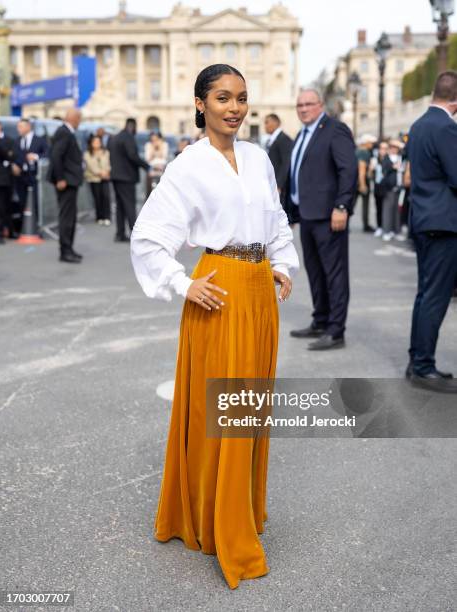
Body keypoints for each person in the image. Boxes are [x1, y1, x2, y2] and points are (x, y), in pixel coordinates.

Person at [130, 63, 299, 589]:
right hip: (217, 287)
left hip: (258, 292)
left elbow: (275, 220)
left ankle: (239, 511)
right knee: (218, 407)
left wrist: (283, 264)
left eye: (242, 98)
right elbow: (149, 236)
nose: (235, 107)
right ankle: (214, 523)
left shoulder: (258, 157)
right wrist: (184, 284)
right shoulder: (189, 165)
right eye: (223, 97)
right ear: (201, 104)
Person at [285, 88, 358, 350]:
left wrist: (342, 206)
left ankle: (336, 330)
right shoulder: (301, 135)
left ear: (321, 106)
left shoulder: (334, 129)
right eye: (299, 105)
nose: (303, 109)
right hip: (306, 215)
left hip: (329, 215)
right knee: (316, 272)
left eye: (308, 104)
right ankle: (321, 320)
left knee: (334, 274)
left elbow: (348, 170)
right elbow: (297, 174)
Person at [406, 71, 457, 392]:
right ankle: (423, 365)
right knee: (435, 297)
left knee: (426, 294)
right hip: (444, 222)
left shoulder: (420, 124)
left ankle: (417, 360)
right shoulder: (446, 127)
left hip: (424, 220)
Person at [47, 108, 84, 263]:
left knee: (71, 217)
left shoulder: (67, 132)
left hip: (70, 181)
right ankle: (65, 251)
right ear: (73, 118)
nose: (80, 122)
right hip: (66, 182)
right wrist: (60, 178)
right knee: (66, 218)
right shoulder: (64, 132)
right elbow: (56, 156)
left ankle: (69, 248)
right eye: (79, 119)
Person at [108, 118, 149, 242]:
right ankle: (134, 233)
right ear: (132, 126)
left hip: (116, 176)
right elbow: (132, 155)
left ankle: (120, 233)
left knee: (120, 206)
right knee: (129, 205)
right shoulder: (128, 137)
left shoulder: (115, 138)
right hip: (126, 177)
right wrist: (147, 166)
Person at [14, 118, 49, 233]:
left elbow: (48, 154)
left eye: (21, 126)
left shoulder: (40, 140)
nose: (18, 129)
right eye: (18, 126)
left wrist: (36, 157)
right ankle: (24, 228)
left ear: (28, 126)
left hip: (35, 177)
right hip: (20, 178)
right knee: (22, 202)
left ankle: (36, 228)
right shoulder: (17, 141)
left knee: (36, 202)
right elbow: (14, 156)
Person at [263, 113, 293, 206]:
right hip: (272, 184)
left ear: (275, 123)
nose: (265, 126)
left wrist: (279, 185)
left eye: (267, 122)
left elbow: (286, 163)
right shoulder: (273, 139)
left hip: (279, 188)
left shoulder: (283, 139)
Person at [83, 134, 111, 225]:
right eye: (95, 142)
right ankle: (100, 216)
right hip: (94, 179)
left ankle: (107, 217)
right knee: (97, 198)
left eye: (98, 142)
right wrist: (100, 173)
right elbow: (91, 166)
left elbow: (108, 164)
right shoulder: (87, 154)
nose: (97, 144)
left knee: (106, 197)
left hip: (105, 178)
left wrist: (106, 172)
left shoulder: (105, 152)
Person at [380, 139, 404, 242]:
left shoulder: (400, 157)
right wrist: (393, 167)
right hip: (388, 188)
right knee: (387, 210)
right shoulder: (386, 157)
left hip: (398, 188)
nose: (394, 149)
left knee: (397, 211)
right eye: (392, 148)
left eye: (396, 148)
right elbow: (384, 170)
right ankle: (386, 231)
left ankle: (396, 231)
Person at [0, 121, 17, 244]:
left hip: (5, 178)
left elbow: (12, 155)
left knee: (6, 205)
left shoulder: (9, 140)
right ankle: (0, 232)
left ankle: (9, 230)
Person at [355, 134, 376, 232]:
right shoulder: (364, 152)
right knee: (365, 204)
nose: (372, 144)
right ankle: (366, 225)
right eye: (371, 142)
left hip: (355, 181)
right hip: (361, 181)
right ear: (366, 142)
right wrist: (362, 184)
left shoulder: (358, 150)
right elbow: (361, 169)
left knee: (351, 203)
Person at [370, 141, 389, 237]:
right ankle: (379, 227)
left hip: (388, 188)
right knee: (378, 208)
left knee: (387, 209)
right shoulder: (375, 160)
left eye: (385, 148)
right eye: (382, 148)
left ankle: (387, 228)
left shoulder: (390, 159)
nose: (383, 151)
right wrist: (371, 169)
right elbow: (370, 175)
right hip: (378, 187)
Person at [144, 131, 169, 196]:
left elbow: (164, 157)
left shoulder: (164, 144)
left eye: (156, 139)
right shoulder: (148, 145)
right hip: (152, 167)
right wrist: (153, 149)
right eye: (152, 140)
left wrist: (160, 147)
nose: (154, 141)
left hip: (162, 167)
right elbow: (148, 159)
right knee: (149, 186)